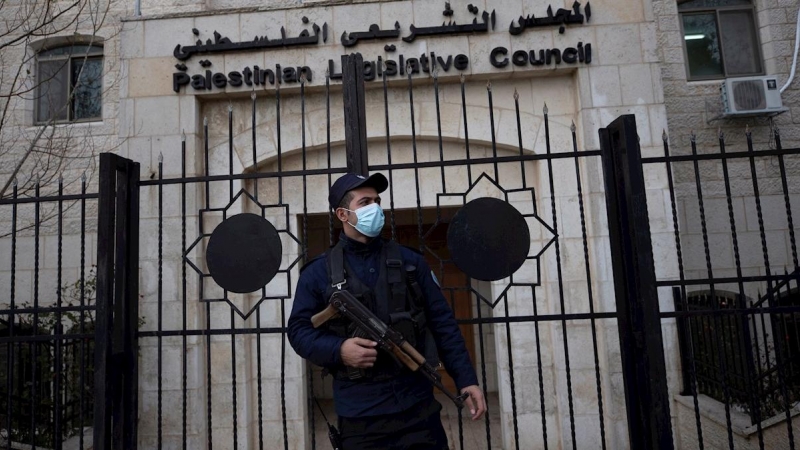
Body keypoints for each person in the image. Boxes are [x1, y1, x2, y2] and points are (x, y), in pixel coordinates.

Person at [288, 172, 486, 449]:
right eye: (365, 201)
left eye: (378, 201)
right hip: (360, 416)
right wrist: (339, 350)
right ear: (343, 214)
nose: (376, 208)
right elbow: (298, 331)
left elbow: (443, 324)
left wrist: (467, 380)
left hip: (417, 409)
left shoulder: (410, 262)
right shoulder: (318, 273)